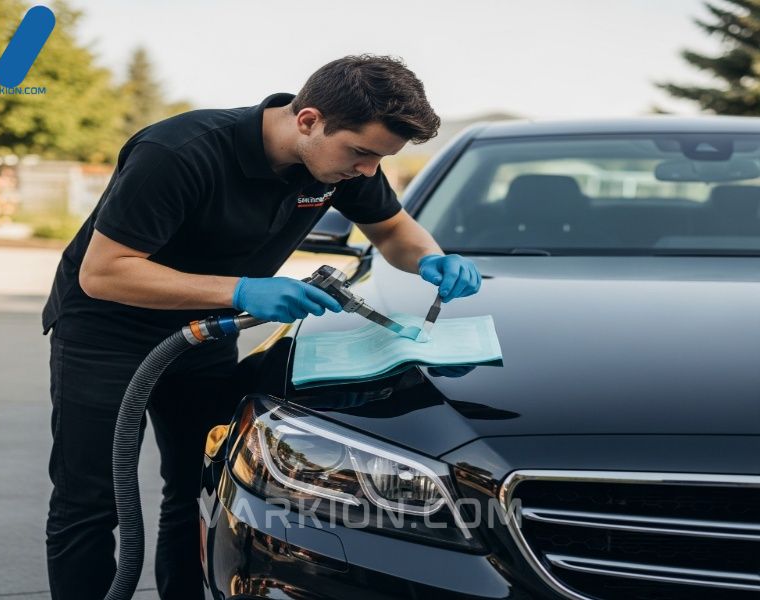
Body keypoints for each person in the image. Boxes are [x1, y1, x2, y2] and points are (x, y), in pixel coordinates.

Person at [41, 54, 482, 600]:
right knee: (90, 499)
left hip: (204, 334)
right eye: (363, 153)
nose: (368, 171)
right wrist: (242, 289)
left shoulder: (338, 164)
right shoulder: (179, 153)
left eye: (379, 158)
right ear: (308, 120)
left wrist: (431, 258)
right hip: (107, 333)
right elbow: (104, 272)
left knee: (194, 489)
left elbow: (392, 231)